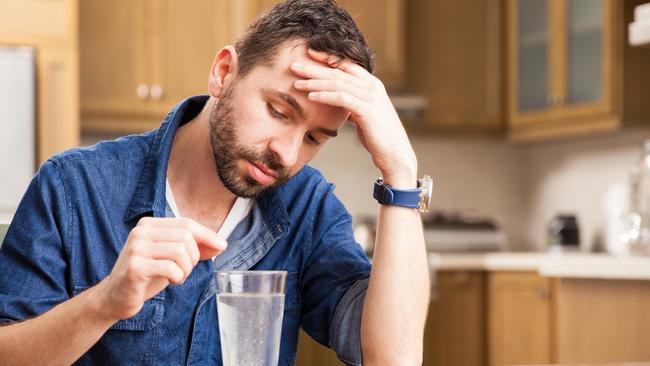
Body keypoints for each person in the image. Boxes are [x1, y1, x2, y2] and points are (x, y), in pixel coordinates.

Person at [0, 0, 430, 364]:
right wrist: (104, 302)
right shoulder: (74, 188)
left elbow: (393, 357)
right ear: (224, 73)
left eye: (315, 138)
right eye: (280, 111)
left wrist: (400, 170)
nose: (288, 153)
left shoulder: (307, 209)